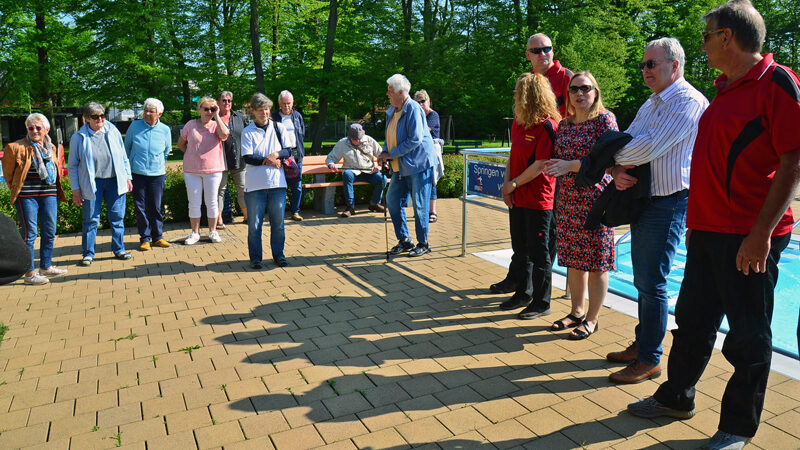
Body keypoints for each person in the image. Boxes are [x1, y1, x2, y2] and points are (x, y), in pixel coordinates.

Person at [628, 2, 800, 448]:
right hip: (707, 231)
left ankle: (737, 427)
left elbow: (793, 159)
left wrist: (761, 235)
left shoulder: (776, 82)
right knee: (692, 322)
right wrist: (697, 225)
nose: (702, 44)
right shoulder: (725, 89)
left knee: (748, 334)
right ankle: (676, 397)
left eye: (706, 36)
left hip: (748, 235)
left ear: (727, 37)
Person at [604, 38, 709, 384]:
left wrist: (610, 159)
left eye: (652, 64)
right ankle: (644, 344)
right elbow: (626, 142)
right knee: (643, 280)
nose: (645, 70)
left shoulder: (688, 101)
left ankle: (650, 358)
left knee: (653, 282)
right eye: (643, 65)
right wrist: (616, 168)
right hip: (646, 198)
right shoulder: (652, 103)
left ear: (674, 65)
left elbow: (645, 148)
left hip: (668, 200)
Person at [490, 32, 574, 295]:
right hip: (528, 168)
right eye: (536, 50)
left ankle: (538, 293)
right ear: (528, 55)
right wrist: (510, 181)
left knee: (543, 238)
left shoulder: (567, 78)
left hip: (551, 168)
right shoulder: (528, 83)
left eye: (547, 48)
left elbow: (575, 117)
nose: (543, 54)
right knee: (522, 236)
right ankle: (519, 280)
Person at [543, 72, 618, 340]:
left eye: (585, 88)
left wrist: (570, 166)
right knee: (575, 261)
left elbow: (609, 160)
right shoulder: (564, 125)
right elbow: (558, 158)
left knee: (597, 263)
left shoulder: (604, 121)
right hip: (568, 202)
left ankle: (593, 318)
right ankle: (576, 311)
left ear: (595, 92)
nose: (579, 93)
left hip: (596, 202)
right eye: (574, 89)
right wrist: (555, 168)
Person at [498, 73, 560, 320]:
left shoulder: (547, 125)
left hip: (538, 199)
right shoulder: (519, 121)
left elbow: (541, 165)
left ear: (529, 96)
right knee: (520, 248)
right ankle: (523, 293)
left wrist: (513, 184)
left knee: (539, 252)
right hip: (518, 196)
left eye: (518, 92)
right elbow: (514, 156)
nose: (514, 96)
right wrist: (506, 186)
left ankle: (542, 302)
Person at [2, 113, 68, 284]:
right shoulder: (15, 147)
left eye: (38, 127)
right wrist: (18, 190)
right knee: (30, 234)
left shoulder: (51, 147)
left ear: (46, 129)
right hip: (27, 197)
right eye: (31, 128)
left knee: (49, 231)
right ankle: (29, 274)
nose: (35, 131)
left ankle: (45, 266)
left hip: (49, 194)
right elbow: (9, 175)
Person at [379, 74, 437, 257]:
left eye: (390, 90)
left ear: (401, 92)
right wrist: (384, 152)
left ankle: (423, 243)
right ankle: (404, 240)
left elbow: (415, 139)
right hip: (400, 165)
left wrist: (392, 154)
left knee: (419, 205)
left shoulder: (413, 108)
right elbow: (391, 133)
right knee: (392, 201)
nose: (387, 93)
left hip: (418, 164)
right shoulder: (393, 108)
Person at [69, 102, 133, 266]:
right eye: (95, 116)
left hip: (115, 181)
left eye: (102, 116)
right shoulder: (79, 137)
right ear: (86, 119)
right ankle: (88, 253)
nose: (100, 119)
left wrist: (128, 177)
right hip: (92, 184)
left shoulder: (113, 131)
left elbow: (123, 156)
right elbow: (73, 165)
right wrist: (76, 189)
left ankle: (119, 249)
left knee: (117, 217)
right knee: (91, 219)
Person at [241, 93, 290, 269]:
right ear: (253, 111)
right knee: (254, 225)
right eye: (261, 110)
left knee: (278, 224)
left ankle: (279, 255)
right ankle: (256, 258)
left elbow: (288, 151)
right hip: (255, 186)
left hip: (277, 184)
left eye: (267, 109)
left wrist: (275, 155)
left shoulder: (279, 128)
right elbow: (248, 157)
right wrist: (268, 160)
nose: (265, 113)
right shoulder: (247, 132)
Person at [177, 97, 230, 245]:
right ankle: (195, 233)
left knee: (212, 201)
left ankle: (213, 231)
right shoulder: (190, 125)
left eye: (212, 109)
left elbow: (224, 134)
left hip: (213, 170)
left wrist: (218, 115)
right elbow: (181, 144)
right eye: (206, 109)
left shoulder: (216, 125)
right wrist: (192, 155)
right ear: (199, 109)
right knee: (193, 202)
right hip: (192, 170)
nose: (209, 112)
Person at [124, 97, 172, 251]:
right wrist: (129, 170)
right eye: (146, 110)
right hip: (137, 172)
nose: (147, 113)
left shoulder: (165, 130)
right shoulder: (134, 126)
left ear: (160, 114)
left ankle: (158, 237)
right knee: (140, 207)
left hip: (157, 174)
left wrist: (157, 163)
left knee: (156, 206)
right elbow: (127, 148)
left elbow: (166, 151)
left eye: (151, 111)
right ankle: (145, 238)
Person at [324, 123, 386, 217]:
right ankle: (350, 207)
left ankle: (375, 204)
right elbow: (330, 158)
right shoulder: (342, 143)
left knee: (382, 179)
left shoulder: (369, 140)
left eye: (360, 138)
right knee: (347, 175)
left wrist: (379, 166)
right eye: (356, 139)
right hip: (352, 172)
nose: (359, 141)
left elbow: (382, 156)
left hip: (369, 171)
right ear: (350, 138)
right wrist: (331, 164)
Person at [272, 90, 306, 222]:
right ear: (279, 104)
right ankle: (278, 212)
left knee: (297, 185)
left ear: (292, 103)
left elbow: (301, 134)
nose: (286, 106)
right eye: (283, 103)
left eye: (289, 103)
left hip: (296, 155)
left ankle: (295, 212)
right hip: (281, 154)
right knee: (280, 185)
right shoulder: (274, 117)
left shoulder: (297, 116)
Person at [216, 91, 247, 226]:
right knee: (220, 190)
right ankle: (218, 220)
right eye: (223, 100)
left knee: (243, 188)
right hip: (219, 160)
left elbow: (247, 135)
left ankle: (247, 216)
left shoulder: (239, 117)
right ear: (218, 102)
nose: (226, 103)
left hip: (239, 159)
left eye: (229, 100)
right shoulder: (212, 118)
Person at [413, 89, 444, 223]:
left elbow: (423, 131)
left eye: (423, 101)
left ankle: (432, 211)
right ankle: (421, 210)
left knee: (431, 181)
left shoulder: (433, 115)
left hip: (431, 152)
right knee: (419, 182)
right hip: (418, 152)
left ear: (428, 101)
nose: (420, 104)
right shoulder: (416, 116)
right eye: (417, 102)